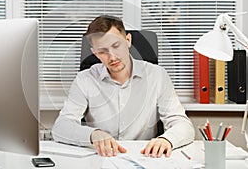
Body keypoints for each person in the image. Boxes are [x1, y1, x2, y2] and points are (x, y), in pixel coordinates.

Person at [51, 15, 195, 158]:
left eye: (116, 46)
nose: (112, 57)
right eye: (102, 51)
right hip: (101, 158)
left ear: (128, 40)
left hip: (144, 157)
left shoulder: (157, 75)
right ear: (95, 53)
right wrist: (93, 134)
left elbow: (183, 124)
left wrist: (166, 139)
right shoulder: (85, 79)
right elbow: (61, 127)